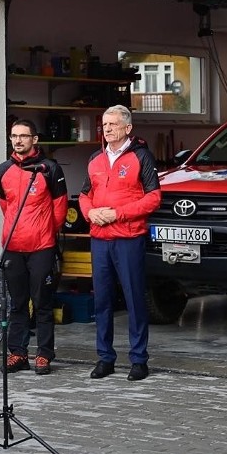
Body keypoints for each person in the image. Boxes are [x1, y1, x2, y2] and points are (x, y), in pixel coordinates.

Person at [79, 105, 161, 382]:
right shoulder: (94, 159)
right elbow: (83, 194)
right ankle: (105, 358)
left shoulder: (141, 156)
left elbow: (153, 198)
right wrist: (89, 212)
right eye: (104, 124)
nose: (108, 128)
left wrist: (118, 214)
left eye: (114, 124)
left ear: (128, 128)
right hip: (100, 240)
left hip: (128, 239)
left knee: (134, 299)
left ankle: (139, 360)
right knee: (101, 300)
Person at [0, 119, 67, 375]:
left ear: (34, 139)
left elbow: (60, 209)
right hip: (13, 246)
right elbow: (5, 206)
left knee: (42, 303)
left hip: (41, 246)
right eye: (14, 136)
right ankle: (18, 353)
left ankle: (44, 354)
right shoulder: (3, 170)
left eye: (24, 136)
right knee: (17, 303)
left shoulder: (50, 169)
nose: (18, 141)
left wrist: (42, 231)